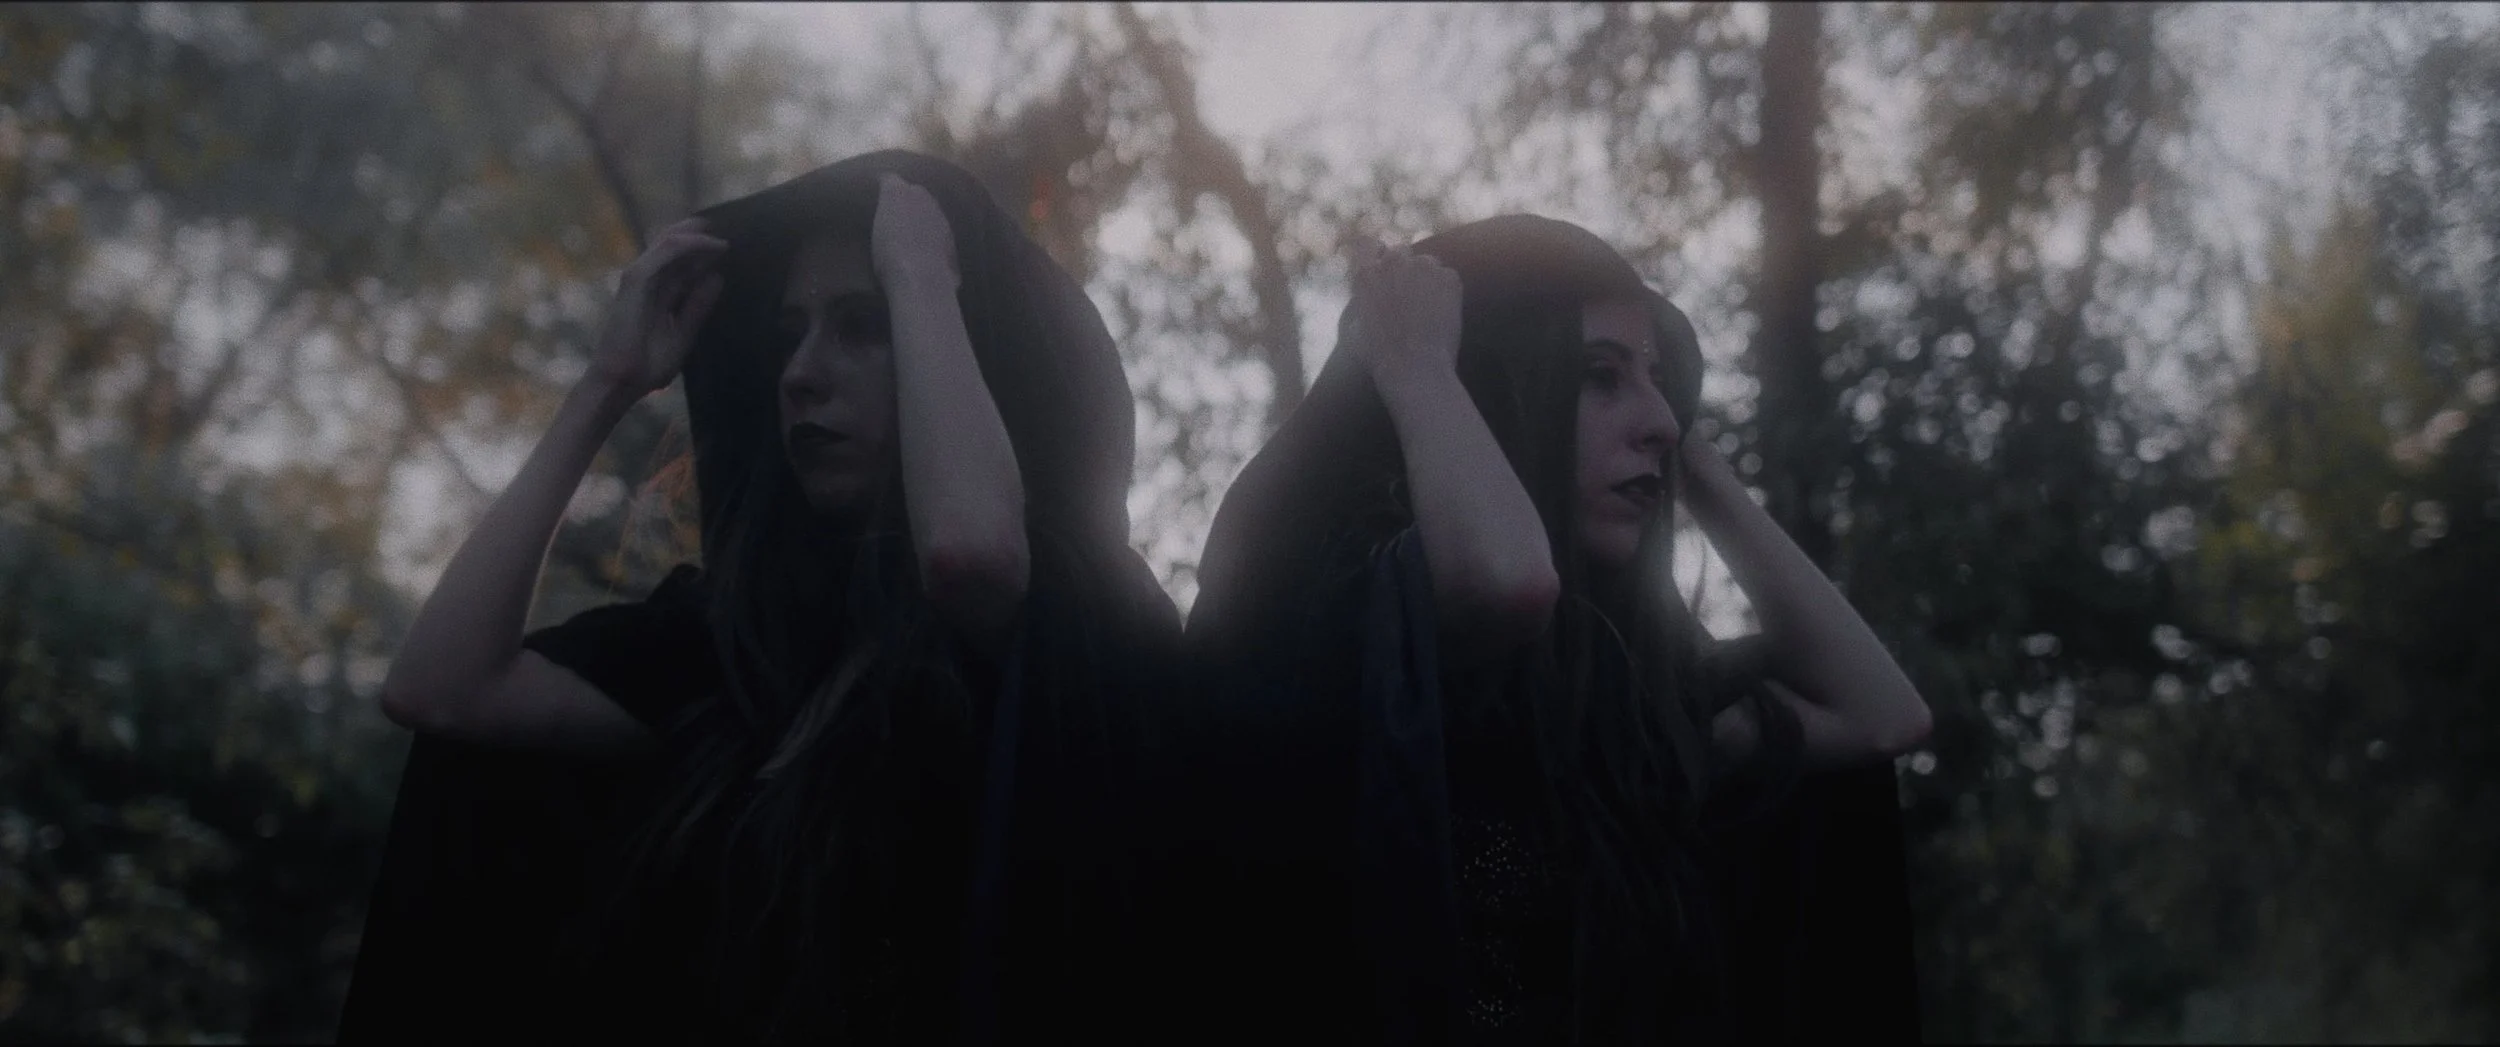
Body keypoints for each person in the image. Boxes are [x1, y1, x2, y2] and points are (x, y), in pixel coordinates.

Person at [340, 150, 1177, 1045]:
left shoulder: (1080, 619)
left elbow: (971, 555)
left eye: (863, 326)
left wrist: (920, 273)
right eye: (788, 336)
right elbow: (442, 685)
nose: (800, 373)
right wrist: (608, 384)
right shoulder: (743, 650)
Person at [1177, 216, 1933, 1045]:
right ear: (1490, 392)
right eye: (1599, 377)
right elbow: (1506, 583)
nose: (1658, 419)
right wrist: (1418, 364)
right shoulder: (1334, 619)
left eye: (1658, 385)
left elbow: (1881, 715)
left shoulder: (1619, 701)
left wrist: (1695, 462)